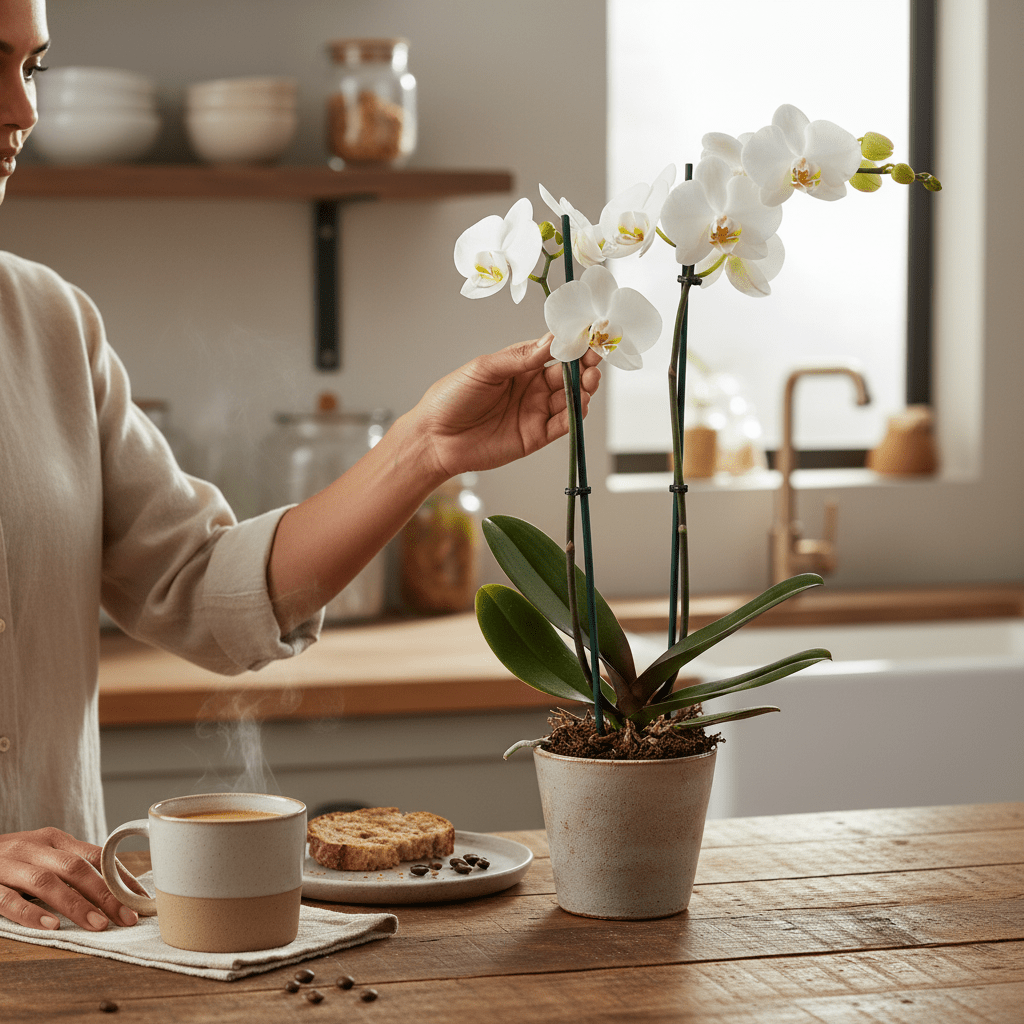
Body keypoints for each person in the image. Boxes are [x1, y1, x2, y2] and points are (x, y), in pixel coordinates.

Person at [0, 0, 600, 933]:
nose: (24, 110)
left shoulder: (47, 324)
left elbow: (204, 591)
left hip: (70, 946)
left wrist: (422, 450)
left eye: (32, 67)